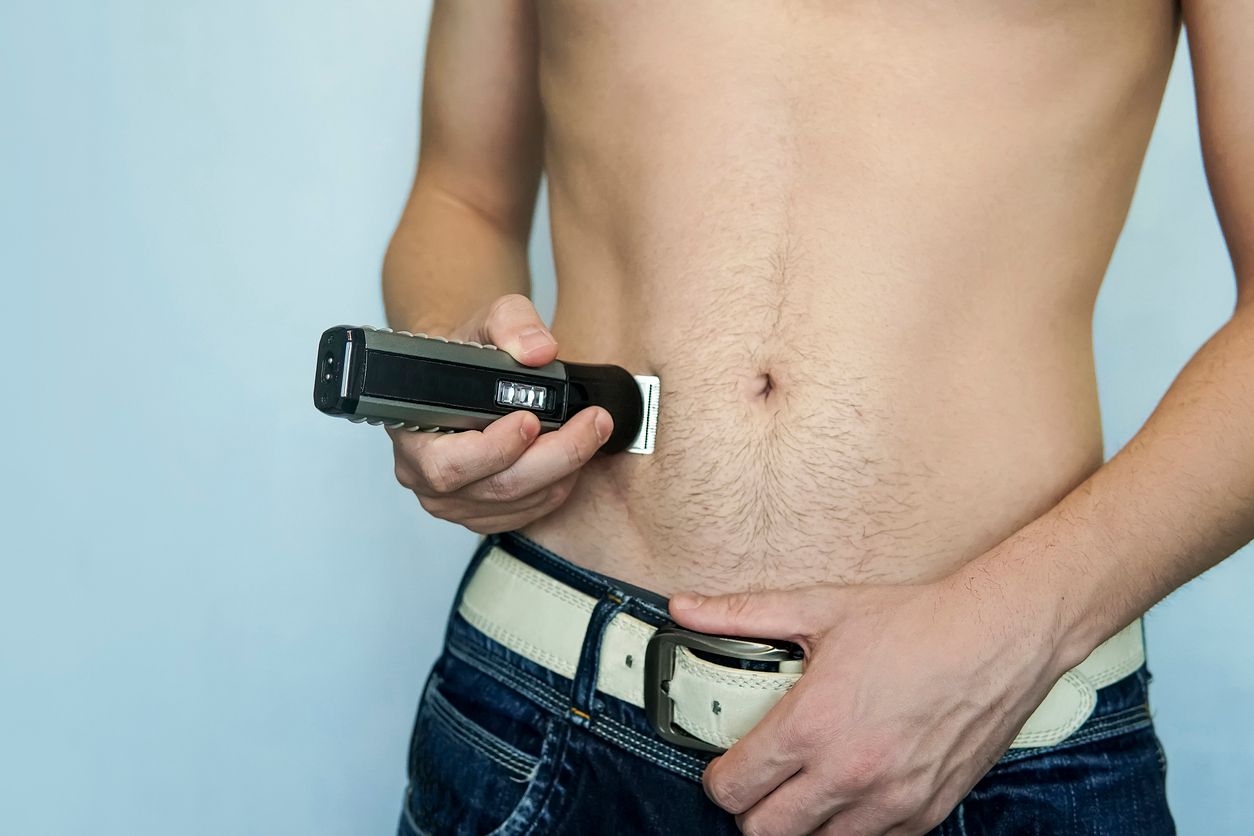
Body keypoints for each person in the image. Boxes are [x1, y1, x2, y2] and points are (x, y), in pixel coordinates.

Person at [382, 3, 1252, 834]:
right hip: (544, 687)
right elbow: (463, 193)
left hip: (996, 732)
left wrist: (1009, 635)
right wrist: (452, 377)